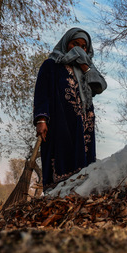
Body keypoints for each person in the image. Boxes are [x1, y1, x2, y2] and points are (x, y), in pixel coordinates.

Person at [33, 28, 107, 191]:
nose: (80, 49)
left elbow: (99, 87)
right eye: (75, 44)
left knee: (83, 161)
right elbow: (41, 93)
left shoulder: (86, 70)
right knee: (60, 156)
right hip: (60, 122)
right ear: (66, 43)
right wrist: (41, 119)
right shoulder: (52, 65)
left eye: (84, 46)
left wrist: (84, 65)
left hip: (84, 124)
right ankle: (57, 196)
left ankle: (80, 195)